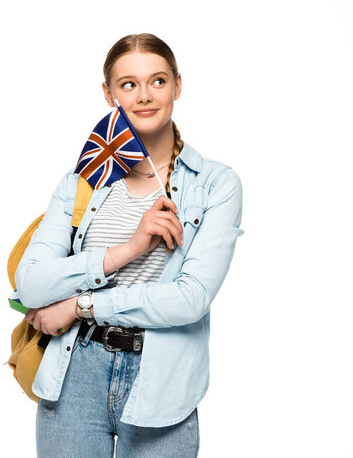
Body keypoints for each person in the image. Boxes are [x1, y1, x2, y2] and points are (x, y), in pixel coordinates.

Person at [15, 32, 245, 458]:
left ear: (178, 84)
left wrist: (78, 306)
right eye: (128, 84)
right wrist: (130, 248)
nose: (144, 96)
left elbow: (189, 299)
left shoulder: (215, 185)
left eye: (157, 81)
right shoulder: (82, 182)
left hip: (163, 380)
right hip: (74, 371)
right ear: (109, 93)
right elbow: (29, 284)